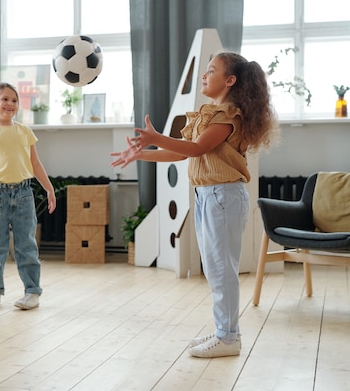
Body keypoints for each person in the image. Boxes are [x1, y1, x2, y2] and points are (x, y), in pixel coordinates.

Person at [111, 52, 277, 358]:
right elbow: (182, 153)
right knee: (215, 269)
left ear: (230, 81)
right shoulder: (209, 113)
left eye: (211, 71)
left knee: (222, 269)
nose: (204, 75)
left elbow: (196, 147)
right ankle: (224, 331)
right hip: (208, 196)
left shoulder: (227, 116)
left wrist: (157, 137)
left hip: (223, 196)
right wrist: (140, 155)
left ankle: (229, 337)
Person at [0, 82, 56, 310]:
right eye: (4, 99)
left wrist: (49, 188)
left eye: (14, 100)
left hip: (23, 194)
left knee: (26, 245)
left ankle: (32, 292)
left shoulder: (25, 132)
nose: (10, 104)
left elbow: (35, 164)